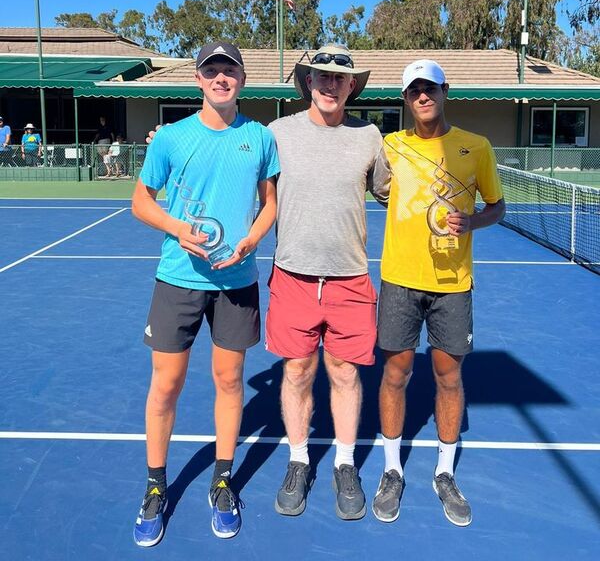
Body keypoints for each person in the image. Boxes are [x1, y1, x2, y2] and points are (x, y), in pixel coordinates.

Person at [131, 41, 279, 547]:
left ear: (242, 79)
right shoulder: (171, 139)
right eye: (212, 70)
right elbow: (140, 203)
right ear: (198, 79)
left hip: (236, 282)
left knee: (229, 380)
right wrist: (177, 228)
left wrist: (253, 240)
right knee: (167, 384)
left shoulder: (259, 138)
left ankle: (221, 481)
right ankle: (155, 487)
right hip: (178, 279)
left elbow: (269, 205)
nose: (221, 78)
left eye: (230, 70)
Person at [372, 59, 505, 527]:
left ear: (445, 91)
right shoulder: (390, 147)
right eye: (414, 91)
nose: (422, 97)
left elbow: (498, 206)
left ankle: (444, 473)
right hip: (399, 280)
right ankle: (392, 470)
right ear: (406, 100)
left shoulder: (476, 147)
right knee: (396, 375)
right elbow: (378, 188)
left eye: (430, 88)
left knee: (448, 377)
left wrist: (473, 221)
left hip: (453, 286)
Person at [266, 45, 389, 521]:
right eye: (321, 76)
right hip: (293, 276)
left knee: (343, 373)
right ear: (307, 83)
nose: (331, 83)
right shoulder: (278, 134)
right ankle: (298, 460)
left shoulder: (370, 137)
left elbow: (391, 193)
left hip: (350, 280)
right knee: (297, 372)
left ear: (352, 86)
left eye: (341, 77)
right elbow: (249, 183)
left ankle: (343, 463)